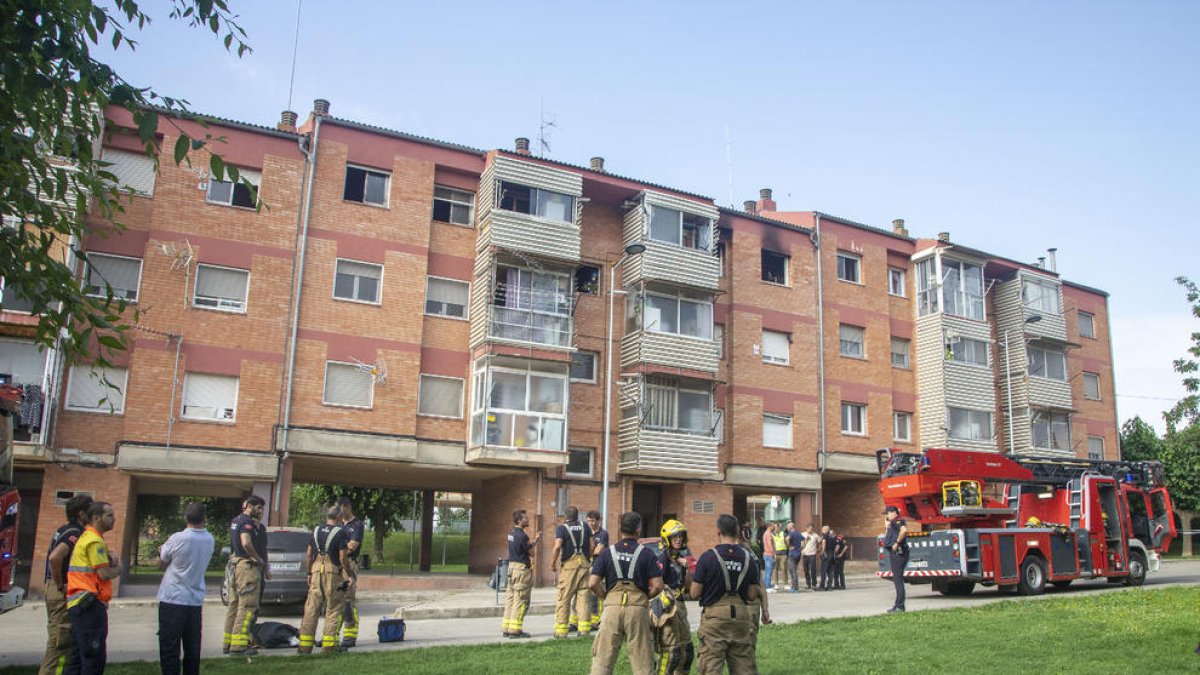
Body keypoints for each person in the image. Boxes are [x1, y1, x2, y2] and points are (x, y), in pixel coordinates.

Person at [690, 514, 770, 674]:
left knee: (710, 666)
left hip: (715, 619)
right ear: (738, 531)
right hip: (741, 618)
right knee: (744, 666)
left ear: (718, 531)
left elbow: (694, 593)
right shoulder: (749, 558)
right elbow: (752, 595)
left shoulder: (708, 557)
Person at [587, 511, 663, 675]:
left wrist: (606, 597)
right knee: (643, 660)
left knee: (603, 659)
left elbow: (592, 583)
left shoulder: (607, 552)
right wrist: (644, 597)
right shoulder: (647, 553)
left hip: (612, 608)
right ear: (638, 529)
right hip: (637, 609)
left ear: (621, 529)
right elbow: (658, 586)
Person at [157, 502, 215, 675]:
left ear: (185, 518)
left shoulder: (177, 538)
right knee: (192, 647)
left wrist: (160, 550)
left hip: (172, 598)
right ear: (204, 518)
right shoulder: (209, 539)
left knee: (169, 646)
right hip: (194, 599)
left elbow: (161, 563)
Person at [66, 501, 123, 675]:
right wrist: (119, 567)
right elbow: (104, 574)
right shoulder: (94, 540)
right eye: (110, 515)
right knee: (93, 658)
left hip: (79, 604)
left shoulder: (87, 537)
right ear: (96, 518)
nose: (114, 519)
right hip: (89, 605)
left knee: (77, 659)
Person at [39, 493, 92, 675]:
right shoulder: (75, 533)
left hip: (52, 589)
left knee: (58, 641)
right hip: (59, 591)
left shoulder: (63, 529)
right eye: (89, 511)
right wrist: (61, 584)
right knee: (60, 644)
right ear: (81, 514)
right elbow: (56, 558)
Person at [298, 506, 354, 653]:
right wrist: (350, 575)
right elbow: (343, 557)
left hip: (316, 572)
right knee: (334, 609)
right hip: (332, 574)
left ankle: (304, 647)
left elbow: (309, 554)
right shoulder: (340, 533)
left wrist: (309, 573)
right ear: (339, 517)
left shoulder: (316, 530)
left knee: (311, 609)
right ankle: (329, 647)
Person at [223, 495, 267, 655]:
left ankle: (228, 642)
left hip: (234, 566)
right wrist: (258, 559)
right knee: (247, 606)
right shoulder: (247, 522)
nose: (260, 511)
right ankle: (239, 645)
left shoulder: (236, 521)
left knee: (233, 605)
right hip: (246, 567)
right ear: (249, 506)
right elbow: (246, 542)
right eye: (258, 507)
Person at [652, 519, 693, 674]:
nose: (678, 539)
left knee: (687, 652)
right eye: (674, 536)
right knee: (671, 653)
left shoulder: (680, 559)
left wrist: (688, 568)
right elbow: (657, 587)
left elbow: (687, 588)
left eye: (680, 536)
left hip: (681, 608)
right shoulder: (662, 560)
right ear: (667, 539)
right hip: (668, 611)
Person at [552, 506, 593, 637]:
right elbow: (592, 545)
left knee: (564, 597)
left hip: (569, 566)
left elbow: (558, 546)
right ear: (577, 516)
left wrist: (552, 563)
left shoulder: (562, 528)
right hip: (584, 564)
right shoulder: (585, 526)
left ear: (565, 517)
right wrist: (588, 558)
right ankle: (584, 629)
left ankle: (561, 631)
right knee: (583, 598)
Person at [501, 509, 540, 638]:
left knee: (510, 598)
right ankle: (515, 630)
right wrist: (535, 541)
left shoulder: (511, 533)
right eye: (525, 518)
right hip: (521, 569)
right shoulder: (522, 536)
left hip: (511, 568)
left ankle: (506, 628)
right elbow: (529, 550)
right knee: (521, 599)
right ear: (519, 521)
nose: (527, 520)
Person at [336, 497, 364, 650]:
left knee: (348, 600)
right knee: (336, 600)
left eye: (341, 509)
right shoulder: (339, 525)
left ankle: (349, 636)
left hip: (349, 562)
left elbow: (352, 546)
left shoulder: (356, 525)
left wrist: (339, 549)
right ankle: (333, 634)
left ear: (347, 507)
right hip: (336, 564)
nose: (339, 512)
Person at [883, 506, 909, 612]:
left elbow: (904, 530)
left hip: (898, 553)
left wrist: (897, 543)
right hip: (895, 553)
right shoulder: (892, 524)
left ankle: (900, 606)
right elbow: (888, 536)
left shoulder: (897, 521)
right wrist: (887, 527)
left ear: (893, 513)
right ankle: (897, 605)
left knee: (898, 580)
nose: (886, 516)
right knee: (897, 580)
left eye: (887, 514)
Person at [586, 510, 608, 630]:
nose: (591, 523)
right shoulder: (587, 533)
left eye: (593, 521)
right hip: (588, 566)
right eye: (589, 521)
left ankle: (599, 620)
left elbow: (598, 550)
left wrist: (590, 550)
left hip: (599, 566)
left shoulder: (603, 534)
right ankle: (591, 619)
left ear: (598, 521)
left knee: (598, 593)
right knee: (588, 595)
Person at [785, 521, 804, 592]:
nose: (787, 528)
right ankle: (794, 586)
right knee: (794, 570)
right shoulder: (799, 533)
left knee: (792, 571)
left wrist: (789, 546)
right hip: (798, 554)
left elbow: (787, 539)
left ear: (791, 527)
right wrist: (800, 549)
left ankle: (795, 588)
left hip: (792, 554)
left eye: (788, 526)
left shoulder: (791, 533)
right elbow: (803, 543)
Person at [801, 523, 820, 589]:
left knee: (813, 569)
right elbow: (800, 544)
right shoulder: (802, 534)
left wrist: (818, 550)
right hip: (805, 554)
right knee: (806, 569)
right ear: (806, 528)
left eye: (811, 529)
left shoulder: (815, 535)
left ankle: (814, 584)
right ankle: (807, 583)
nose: (810, 530)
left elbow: (821, 542)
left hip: (812, 554)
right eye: (809, 528)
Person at [818, 525, 838, 590]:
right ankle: (829, 586)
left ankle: (822, 586)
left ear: (825, 530)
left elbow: (824, 543)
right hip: (833, 555)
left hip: (826, 554)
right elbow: (837, 546)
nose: (822, 530)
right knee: (831, 571)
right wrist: (834, 553)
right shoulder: (833, 536)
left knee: (824, 571)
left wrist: (822, 552)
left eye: (822, 529)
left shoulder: (825, 536)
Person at [760, 522, 777, 592]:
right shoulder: (769, 534)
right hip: (769, 554)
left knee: (767, 571)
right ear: (770, 526)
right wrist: (773, 553)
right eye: (773, 526)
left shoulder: (766, 533)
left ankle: (766, 586)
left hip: (766, 554)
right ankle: (767, 587)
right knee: (769, 571)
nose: (774, 527)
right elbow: (769, 544)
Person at [771, 524, 787, 588]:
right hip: (775, 554)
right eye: (775, 527)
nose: (776, 529)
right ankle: (776, 584)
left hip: (783, 553)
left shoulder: (783, 533)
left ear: (779, 527)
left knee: (784, 569)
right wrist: (773, 553)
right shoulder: (772, 534)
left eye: (777, 527)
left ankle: (785, 584)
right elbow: (771, 544)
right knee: (775, 569)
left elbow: (786, 541)